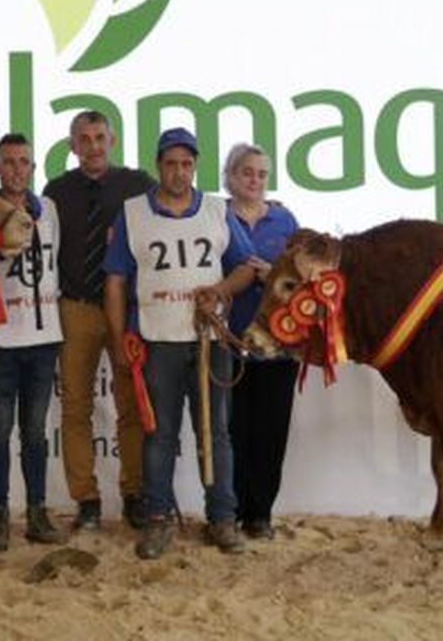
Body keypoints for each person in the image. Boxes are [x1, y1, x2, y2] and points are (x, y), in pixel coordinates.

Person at [104, 127, 257, 559]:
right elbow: (115, 282)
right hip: (158, 340)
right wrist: (118, 339)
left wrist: (221, 290)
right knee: (160, 434)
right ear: (159, 166)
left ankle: (222, 519)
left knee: (217, 433)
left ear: (195, 166)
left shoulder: (215, 210)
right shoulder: (133, 213)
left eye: (186, 164)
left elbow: (246, 267)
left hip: (210, 339)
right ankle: (157, 520)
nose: (179, 172)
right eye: (171, 164)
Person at [43, 111, 155, 531]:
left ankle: (134, 495)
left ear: (113, 140)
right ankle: (86, 500)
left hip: (125, 310)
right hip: (74, 309)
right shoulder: (56, 192)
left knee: (131, 403)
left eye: (99, 137)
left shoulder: (139, 187)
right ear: (72, 145)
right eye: (84, 138)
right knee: (75, 408)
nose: (93, 146)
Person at [0, 133, 69, 553]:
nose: (16, 169)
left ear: (33, 168)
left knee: (35, 430)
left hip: (44, 334)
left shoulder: (48, 208)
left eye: (24, 162)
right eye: (8, 162)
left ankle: (36, 511)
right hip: (0, 336)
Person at [222, 143, 300, 540]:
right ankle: (229, 512)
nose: (254, 180)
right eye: (246, 172)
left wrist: (272, 274)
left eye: (261, 174)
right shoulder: (214, 216)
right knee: (232, 431)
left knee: (270, 433)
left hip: (277, 346)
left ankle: (260, 514)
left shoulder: (285, 221)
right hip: (229, 341)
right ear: (231, 176)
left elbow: (304, 280)